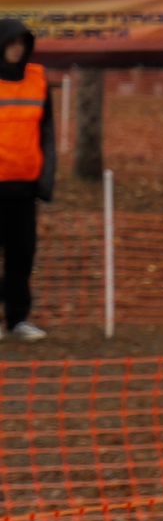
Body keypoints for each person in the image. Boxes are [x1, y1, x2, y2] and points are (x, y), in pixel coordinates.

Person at [0, 18, 54, 342]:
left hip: (24, 186)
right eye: (11, 42)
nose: (17, 49)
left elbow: (47, 133)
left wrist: (45, 179)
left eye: (22, 43)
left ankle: (17, 320)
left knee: (22, 255)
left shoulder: (38, 80)